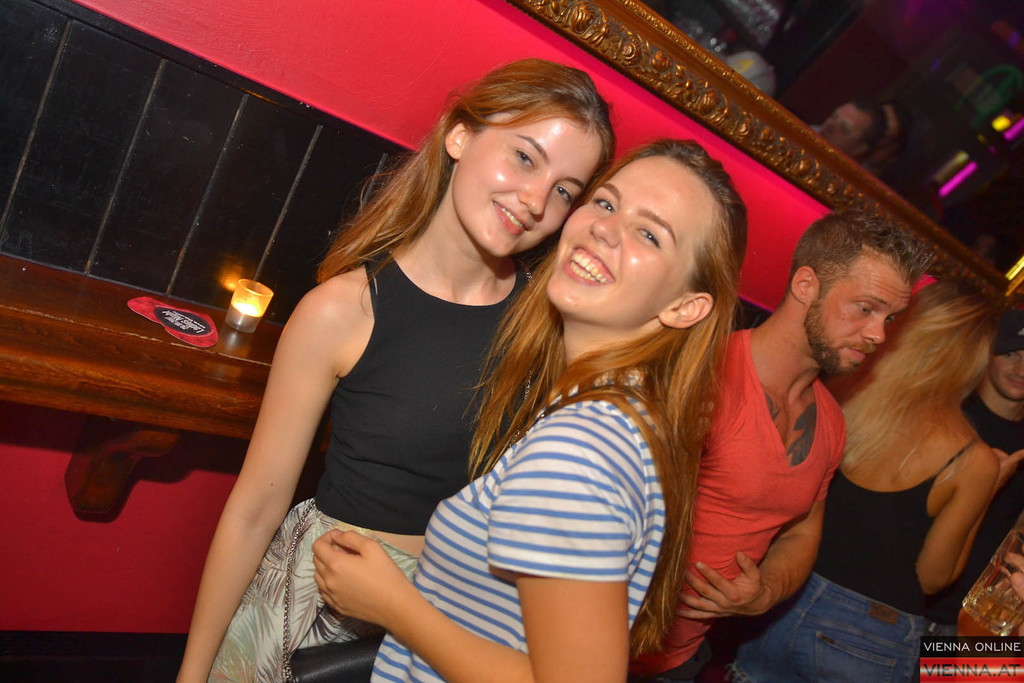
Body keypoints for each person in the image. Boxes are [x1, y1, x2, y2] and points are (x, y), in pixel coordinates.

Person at [176, 58, 615, 683]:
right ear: (460, 136)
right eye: (524, 157)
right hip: (327, 615)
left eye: (566, 190)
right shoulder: (342, 310)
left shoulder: (550, 325)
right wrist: (193, 673)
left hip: (466, 620)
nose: (537, 201)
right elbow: (254, 510)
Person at [310, 139, 749, 683]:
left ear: (685, 307)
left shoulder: (578, 449)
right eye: (606, 203)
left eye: (650, 234)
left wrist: (393, 605)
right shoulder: (631, 417)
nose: (604, 228)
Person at [630, 210, 933, 681]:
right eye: (865, 309)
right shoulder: (702, 375)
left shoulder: (830, 422)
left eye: (889, 318)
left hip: (682, 658)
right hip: (596, 646)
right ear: (806, 285)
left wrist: (765, 591)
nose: (878, 334)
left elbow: (800, 530)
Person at [727, 279, 1001, 682]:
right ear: (976, 360)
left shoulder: (837, 391)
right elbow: (932, 579)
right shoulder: (973, 460)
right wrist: (988, 490)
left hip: (788, 591)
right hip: (872, 629)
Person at [926, 308, 1024, 629]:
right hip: (908, 607)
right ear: (987, 353)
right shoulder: (947, 415)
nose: (1021, 369)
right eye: (1010, 354)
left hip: (973, 621)